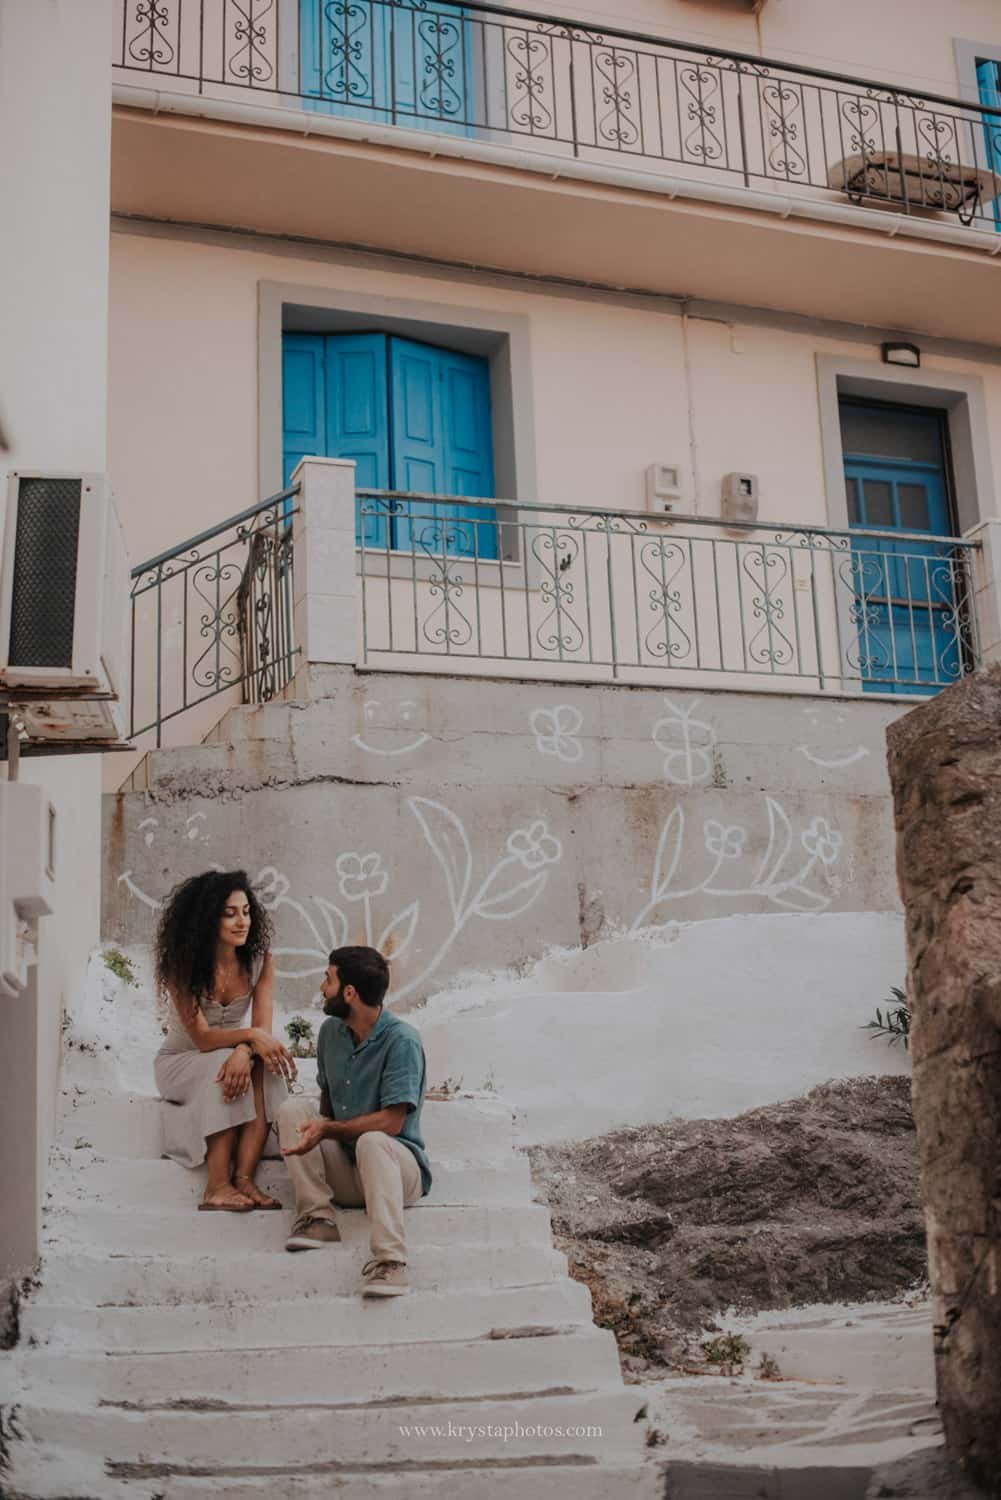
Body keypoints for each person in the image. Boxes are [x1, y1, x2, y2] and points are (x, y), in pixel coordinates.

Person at [279, 945, 431, 1298]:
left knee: (372, 1140)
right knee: (291, 1110)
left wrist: (328, 1129)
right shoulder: (330, 1033)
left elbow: (391, 1123)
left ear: (349, 993)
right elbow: (327, 1104)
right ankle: (318, 1217)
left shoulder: (402, 1041)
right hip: (349, 1171)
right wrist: (319, 1129)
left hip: (396, 1172)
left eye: (327, 980)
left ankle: (391, 1263)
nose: (322, 988)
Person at [154, 869, 297, 1211]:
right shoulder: (182, 964)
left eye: (246, 911)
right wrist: (249, 1040)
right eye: (230, 913)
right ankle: (216, 1186)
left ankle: (244, 1179)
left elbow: (262, 1028)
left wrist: (245, 1051)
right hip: (181, 1061)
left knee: (265, 1066)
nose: (242, 922)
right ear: (207, 920)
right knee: (223, 1063)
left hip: (229, 1052)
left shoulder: (259, 961)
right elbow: (203, 1039)